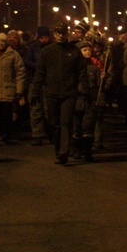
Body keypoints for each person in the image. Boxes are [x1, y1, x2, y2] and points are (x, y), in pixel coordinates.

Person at [30, 23, 89, 164]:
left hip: (69, 93)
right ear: (54, 34)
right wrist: (35, 92)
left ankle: (63, 152)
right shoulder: (47, 51)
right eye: (58, 33)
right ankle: (58, 149)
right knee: (53, 124)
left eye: (63, 33)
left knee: (66, 123)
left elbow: (82, 73)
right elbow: (40, 73)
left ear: (67, 34)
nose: (60, 35)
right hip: (51, 93)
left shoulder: (74, 51)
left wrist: (85, 90)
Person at [0, 33, 26, 142]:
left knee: (7, 115)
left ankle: (7, 134)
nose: (1, 43)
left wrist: (19, 90)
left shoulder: (14, 55)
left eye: (3, 41)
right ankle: (0, 132)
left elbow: (20, 73)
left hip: (9, 89)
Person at [25, 26, 52, 146]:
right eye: (42, 37)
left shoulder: (52, 48)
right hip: (35, 82)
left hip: (48, 83)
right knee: (35, 109)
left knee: (48, 110)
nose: (44, 39)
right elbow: (27, 61)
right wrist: (38, 66)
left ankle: (51, 134)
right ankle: (37, 135)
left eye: (46, 37)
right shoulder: (33, 48)